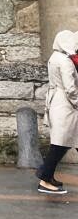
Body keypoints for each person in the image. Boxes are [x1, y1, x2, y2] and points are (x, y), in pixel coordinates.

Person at [37, 28, 78, 195]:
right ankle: (45, 179)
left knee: (62, 143)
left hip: (58, 102)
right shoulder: (65, 61)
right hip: (65, 106)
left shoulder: (55, 57)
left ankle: (45, 175)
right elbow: (70, 88)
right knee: (60, 144)